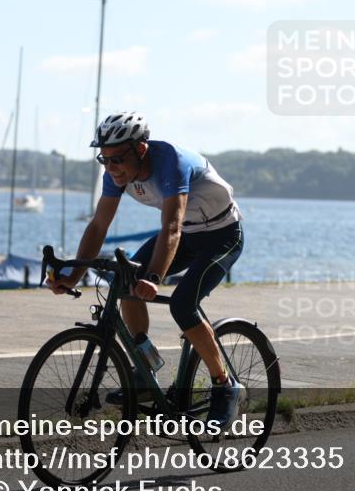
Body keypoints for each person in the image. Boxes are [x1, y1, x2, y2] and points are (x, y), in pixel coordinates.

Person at [47, 112, 245, 426]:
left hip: (221, 236)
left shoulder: (171, 162)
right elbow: (99, 225)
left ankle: (225, 385)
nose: (111, 168)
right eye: (105, 159)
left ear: (140, 149)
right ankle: (145, 366)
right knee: (126, 284)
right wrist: (73, 276)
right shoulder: (115, 174)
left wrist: (154, 277)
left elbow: (171, 227)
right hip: (188, 234)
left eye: (117, 159)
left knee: (183, 305)